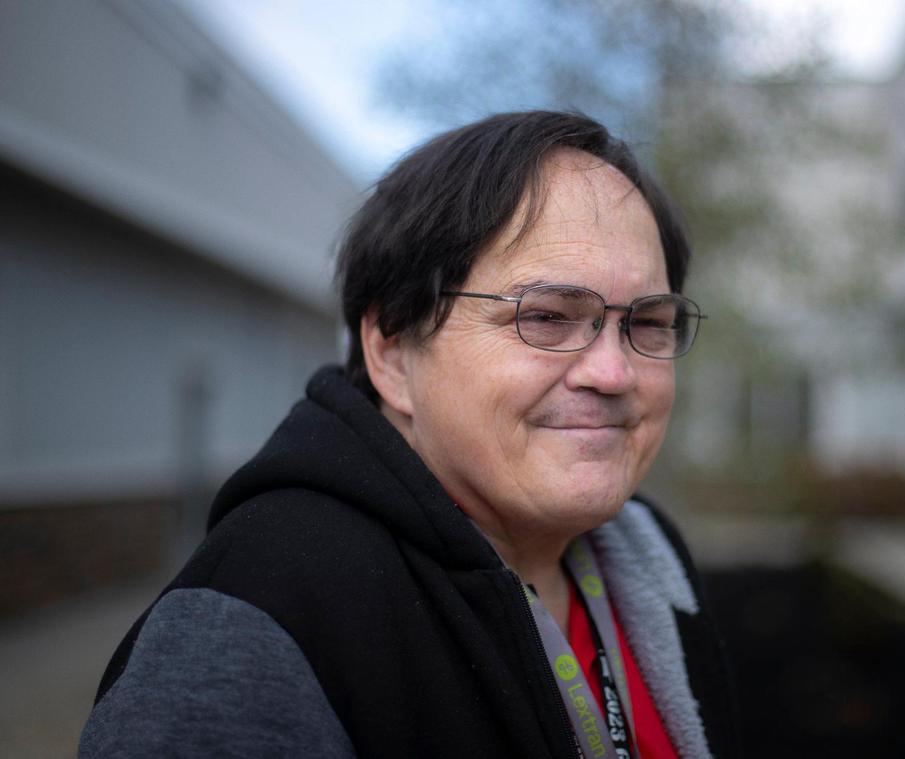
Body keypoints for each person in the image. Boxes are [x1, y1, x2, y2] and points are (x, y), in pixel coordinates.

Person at [80, 110, 738, 758]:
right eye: (546, 316)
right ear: (391, 350)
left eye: (649, 323)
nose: (614, 371)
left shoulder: (650, 555)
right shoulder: (248, 627)